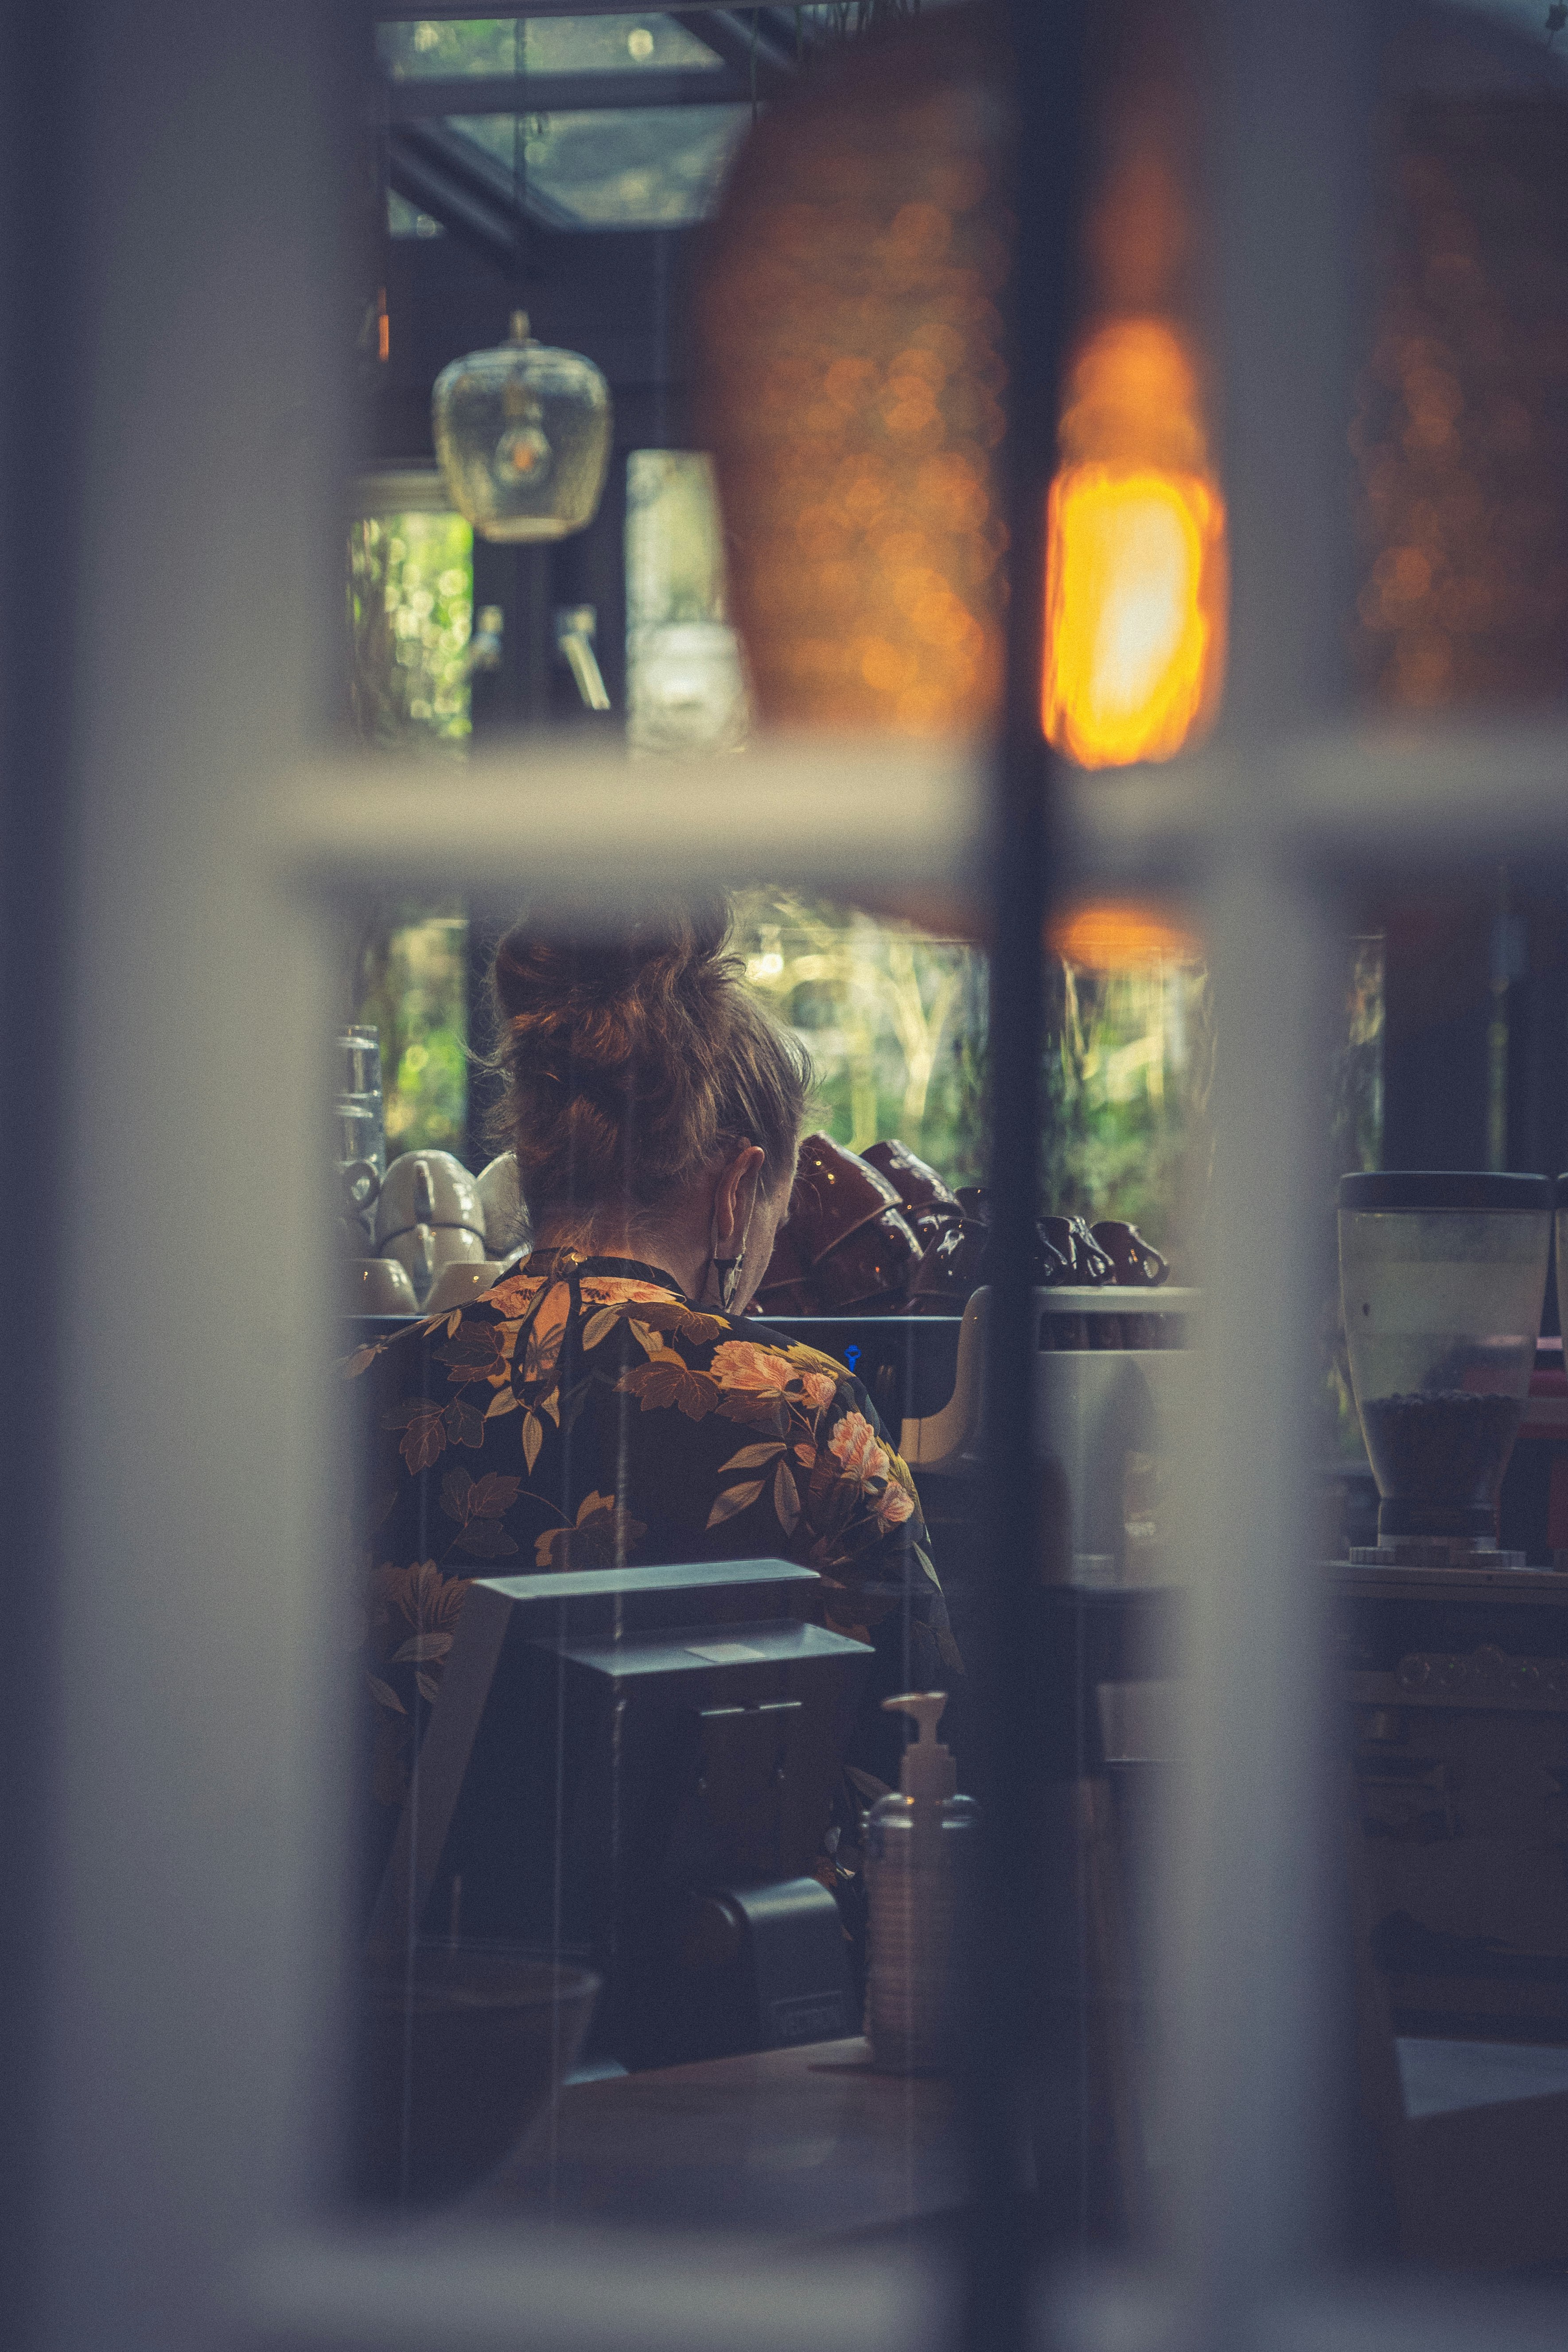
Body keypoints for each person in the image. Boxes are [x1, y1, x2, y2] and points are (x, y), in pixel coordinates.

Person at [345, 894, 958, 1872]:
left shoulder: (355, 1392)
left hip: (381, 2003)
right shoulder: (801, 1413)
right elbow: (929, 1758)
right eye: (774, 1215)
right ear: (734, 1188)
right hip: (711, 2002)